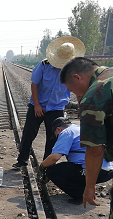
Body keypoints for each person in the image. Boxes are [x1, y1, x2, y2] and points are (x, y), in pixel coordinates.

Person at [60, 57, 113, 219]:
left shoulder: (95, 95)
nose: (76, 96)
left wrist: (89, 186)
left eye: (72, 90)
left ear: (78, 78)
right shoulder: (110, 75)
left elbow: (94, 149)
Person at [13, 36, 85, 169]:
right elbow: (34, 84)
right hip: (38, 105)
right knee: (29, 133)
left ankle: (46, 166)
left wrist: (82, 106)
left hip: (57, 108)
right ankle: (22, 160)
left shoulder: (73, 70)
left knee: (52, 138)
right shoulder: (44, 65)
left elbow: (79, 89)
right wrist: (37, 105)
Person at [40, 117, 113, 204]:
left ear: (58, 129)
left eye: (56, 135)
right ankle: (85, 188)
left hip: (93, 172)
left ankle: (79, 194)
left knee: (52, 171)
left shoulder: (67, 132)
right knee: (71, 167)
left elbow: (55, 157)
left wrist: (42, 166)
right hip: (108, 172)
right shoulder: (81, 129)